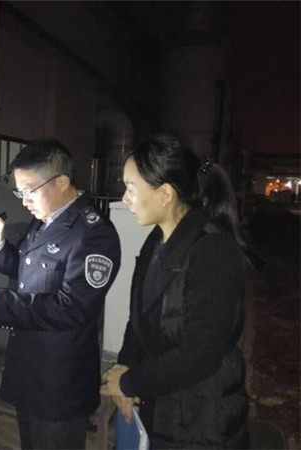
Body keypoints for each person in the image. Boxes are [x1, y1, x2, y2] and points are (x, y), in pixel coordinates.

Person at [0, 139, 121, 450]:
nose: (24, 201)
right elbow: (28, 273)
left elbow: (71, 308)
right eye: (19, 192)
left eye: (29, 191)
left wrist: (0, 302)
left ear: (62, 182)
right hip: (29, 371)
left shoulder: (93, 234)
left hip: (60, 383)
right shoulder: (46, 221)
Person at [100, 134, 250, 449]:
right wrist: (126, 371)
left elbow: (200, 354)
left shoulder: (213, 251)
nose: (124, 198)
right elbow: (138, 319)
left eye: (131, 188)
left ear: (166, 193)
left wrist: (130, 381)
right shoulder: (156, 240)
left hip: (201, 418)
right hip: (160, 405)